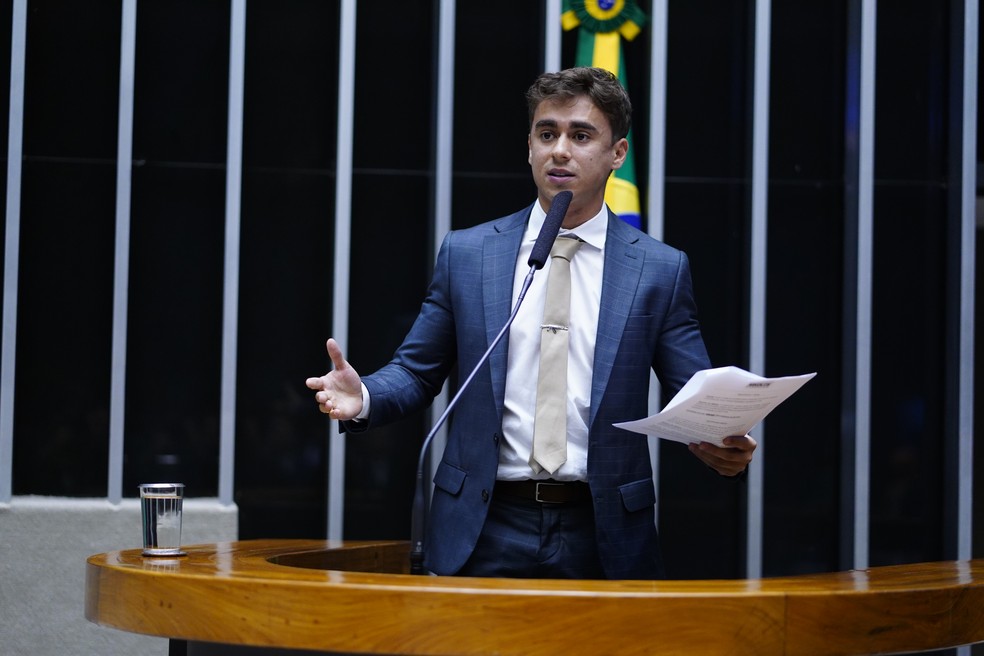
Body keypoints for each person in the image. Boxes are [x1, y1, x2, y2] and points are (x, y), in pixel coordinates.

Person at [306, 67, 756, 580]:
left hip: (604, 526)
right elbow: (416, 372)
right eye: (547, 134)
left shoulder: (659, 270)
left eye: (581, 135)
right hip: (485, 520)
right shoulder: (470, 254)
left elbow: (694, 394)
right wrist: (363, 395)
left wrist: (724, 439)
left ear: (618, 153)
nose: (560, 150)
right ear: (529, 147)